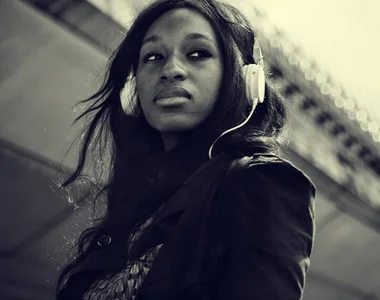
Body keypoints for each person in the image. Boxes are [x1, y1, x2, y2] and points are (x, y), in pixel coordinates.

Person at [55, 0, 316, 299]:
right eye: (153, 56)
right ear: (133, 88)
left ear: (244, 80)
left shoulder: (261, 182)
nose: (171, 70)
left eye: (197, 54)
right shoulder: (139, 208)